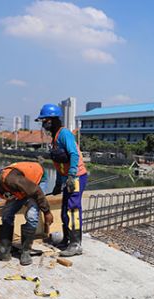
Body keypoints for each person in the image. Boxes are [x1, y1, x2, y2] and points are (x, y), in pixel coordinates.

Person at [0, 162, 54, 265]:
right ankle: (3, 252)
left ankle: (25, 252)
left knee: (32, 215)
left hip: (36, 181)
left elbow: (36, 191)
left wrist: (47, 212)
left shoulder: (11, 180)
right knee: (7, 213)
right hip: (22, 188)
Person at [36, 103, 87, 256]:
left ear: (51, 120)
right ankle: (67, 239)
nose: (44, 125)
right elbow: (59, 164)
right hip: (67, 178)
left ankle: (76, 244)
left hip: (76, 176)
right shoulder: (55, 138)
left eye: (44, 121)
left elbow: (73, 154)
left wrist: (71, 175)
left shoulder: (64, 134)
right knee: (65, 209)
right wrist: (58, 184)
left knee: (73, 209)